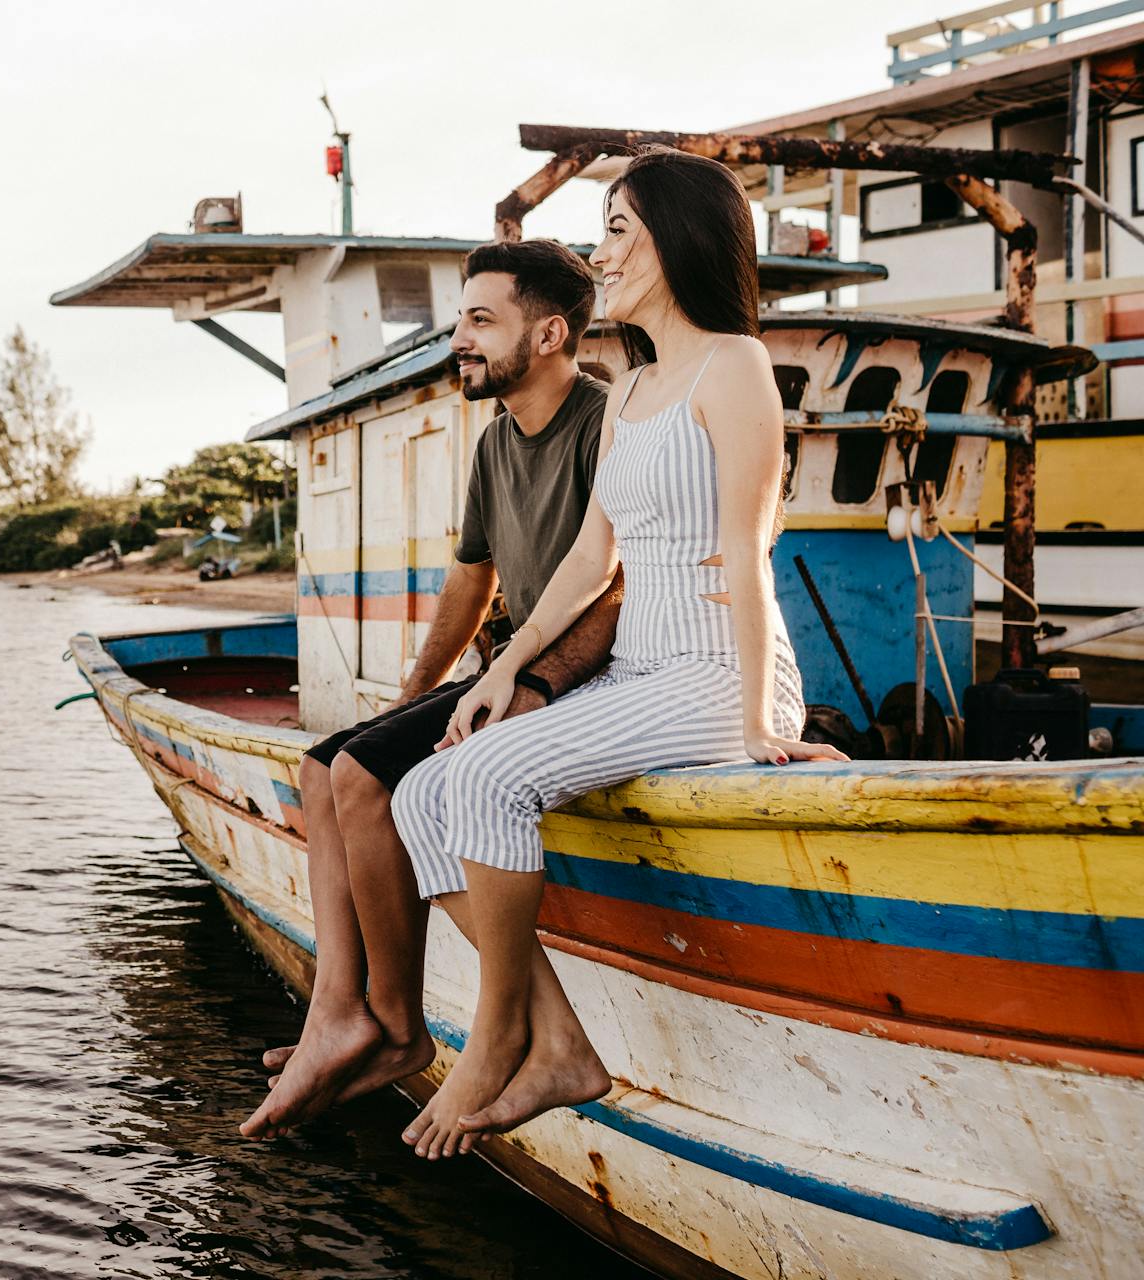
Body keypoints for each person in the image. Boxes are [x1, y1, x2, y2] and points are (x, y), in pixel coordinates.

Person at [388, 149, 850, 1161]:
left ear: (676, 240)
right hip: (641, 670)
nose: (604, 254)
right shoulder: (631, 387)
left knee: (492, 777)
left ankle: (498, 1031)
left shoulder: (735, 368)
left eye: (618, 231)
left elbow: (746, 547)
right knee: (425, 790)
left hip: (718, 672)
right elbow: (593, 555)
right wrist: (507, 668)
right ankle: (555, 1038)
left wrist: (769, 723)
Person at [240, 239, 623, 1139]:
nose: (461, 338)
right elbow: (471, 581)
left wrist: (524, 683)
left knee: (368, 780)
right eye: (462, 319)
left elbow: (616, 581)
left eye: (481, 320)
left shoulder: (603, 424)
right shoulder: (497, 440)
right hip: (505, 665)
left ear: (551, 333)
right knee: (322, 765)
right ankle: (340, 1009)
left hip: (573, 675)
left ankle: (398, 1024)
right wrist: (414, 696)